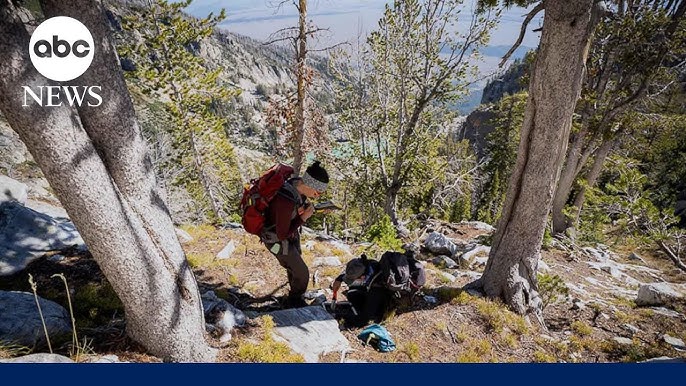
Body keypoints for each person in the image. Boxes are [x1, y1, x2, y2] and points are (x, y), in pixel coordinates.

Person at [261, 161, 329, 308]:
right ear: (309, 184)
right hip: (276, 241)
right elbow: (282, 233)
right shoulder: (286, 199)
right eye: (317, 192)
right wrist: (303, 218)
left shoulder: (294, 184)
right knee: (302, 273)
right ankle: (295, 301)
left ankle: (293, 297)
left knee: (295, 267)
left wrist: (307, 210)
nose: (317, 196)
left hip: (286, 237)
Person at [331, 254, 392, 327]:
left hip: (381, 300)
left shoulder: (377, 285)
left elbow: (363, 320)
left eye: (354, 279)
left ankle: (368, 311)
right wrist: (339, 279)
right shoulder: (367, 265)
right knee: (351, 294)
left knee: (365, 316)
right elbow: (351, 276)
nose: (352, 281)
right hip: (370, 290)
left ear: (363, 277)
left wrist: (339, 315)